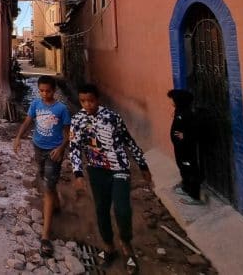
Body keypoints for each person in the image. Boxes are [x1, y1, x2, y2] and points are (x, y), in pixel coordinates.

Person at [68, 84, 152, 274]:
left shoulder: (112, 117)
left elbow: (128, 140)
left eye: (91, 100)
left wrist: (142, 164)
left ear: (98, 99)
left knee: (123, 209)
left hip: (119, 167)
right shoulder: (78, 121)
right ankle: (108, 246)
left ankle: (126, 242)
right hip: (97, 170)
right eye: (83, 101)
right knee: (101, 209)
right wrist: (78, 173)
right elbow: (74, 148)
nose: (87, 104)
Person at [13, 75, 71, 258]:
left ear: (54, 91)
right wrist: (18, 137)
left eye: (48, 91)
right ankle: (58, 205)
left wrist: (61, 148)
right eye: (42, 91)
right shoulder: (36, 105)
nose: (45, 94)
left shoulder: (61, 109)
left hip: (54, 152)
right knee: (46, 181)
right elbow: (28, 122)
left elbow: (69, 134)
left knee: (47, 187)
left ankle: (45, 237)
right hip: (38, 149)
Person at [167, 89, 204, 205]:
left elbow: (196, 131)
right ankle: (186, 187)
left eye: (174, 100)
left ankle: (195, 196)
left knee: (190, 169)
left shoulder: (187, 113)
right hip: (180, 148)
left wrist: (186, 136)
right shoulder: (179, 111)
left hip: (187, 148)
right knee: (183, 166)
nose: (172, 102)